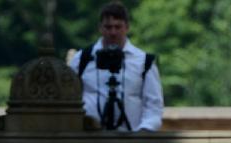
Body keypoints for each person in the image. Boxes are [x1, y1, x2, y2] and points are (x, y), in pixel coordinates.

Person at [68, 2, 163, 132]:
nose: (113, 32)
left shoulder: (144, 62)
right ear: (100, 28)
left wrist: (144, 132)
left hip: (131, 140)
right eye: (108, 27)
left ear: (127, 27)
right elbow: (69, 99)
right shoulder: (81, 59)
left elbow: (154, 106)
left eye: (118, 27)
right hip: (90, 140)